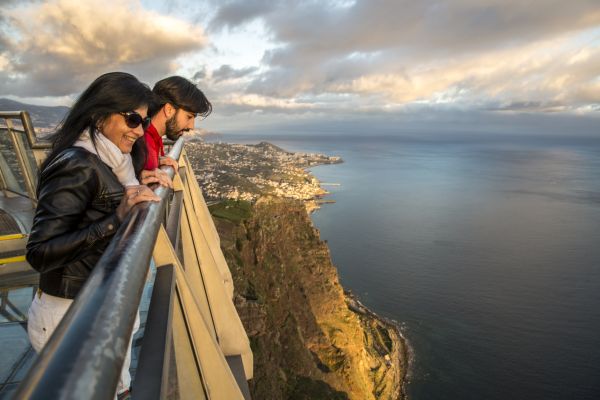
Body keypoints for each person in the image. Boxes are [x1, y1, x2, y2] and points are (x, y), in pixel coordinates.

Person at [26, 72, 165, 399]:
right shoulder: (76, 163)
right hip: (69, 315)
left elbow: (102, 197)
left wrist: (139, 183)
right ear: (99, 115)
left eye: (143, 122)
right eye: (132, 119)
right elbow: (40, 251)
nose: (138, 131)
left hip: (93, 305)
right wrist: (115, 220)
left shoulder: (112, 162)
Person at [144, 76, 212, 171]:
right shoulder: (144, 144)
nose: (191, 126)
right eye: (189, 117)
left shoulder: (153, 139)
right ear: (169, 110)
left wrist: (157, 161)